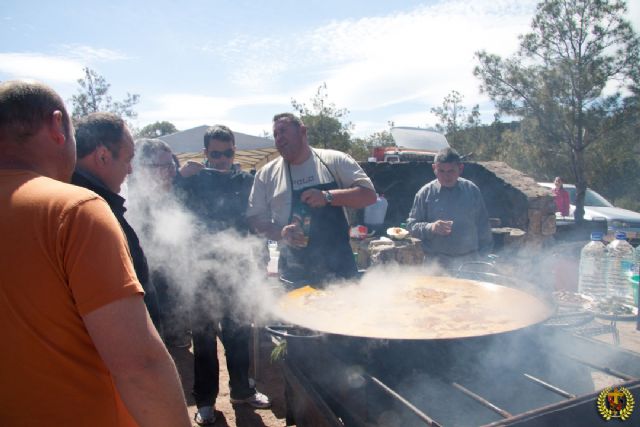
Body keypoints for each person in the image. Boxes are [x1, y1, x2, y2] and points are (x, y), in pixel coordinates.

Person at [0, 80, 190, 426]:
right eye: (128, 159)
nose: (131, 170)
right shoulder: (74, 209)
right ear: (57, 126)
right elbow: (139, 365)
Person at [177, 125, 271, 426]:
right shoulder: (191, 181)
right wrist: (180, 177)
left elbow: (257, 220)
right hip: (200, 269)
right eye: (215, 154)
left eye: (227, 153)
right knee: (204, 340)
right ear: (205, 153)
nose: (221, 159)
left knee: (239, 335)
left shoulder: (247, 180)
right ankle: (205, 401)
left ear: (235, 151)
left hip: (238, 268)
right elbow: (169, 210)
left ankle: (242, 391)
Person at [247, 113, 377, 284]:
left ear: (302, 131)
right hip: (293, 273)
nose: (279, 138)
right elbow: (255, 219)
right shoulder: (266, 174)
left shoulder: (334, 160)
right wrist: (281, 233)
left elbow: (368, 196)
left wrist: (328, 196)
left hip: (340, 269)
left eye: (283, 131)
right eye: (275, 134)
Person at [72, 112, 162, 334]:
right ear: (103, 156)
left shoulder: (91, 202)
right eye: (127, 159)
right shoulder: (89, 211)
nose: (130, 169)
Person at [131, 138, 192, 348]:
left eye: (172, 165)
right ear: (143, 169)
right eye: (164, 166)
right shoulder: (131, 203)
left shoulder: (171, 197)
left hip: (169, 292)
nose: (172, 171)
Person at [406, 147, 493, 268]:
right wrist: (431, 227)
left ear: (460, 168)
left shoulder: (472, 190)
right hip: (437, 264)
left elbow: (483, 226)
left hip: (470, 262)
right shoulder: (425, 193)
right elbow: (411, 227)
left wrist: (483, 257)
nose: (446, 176)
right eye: (441, 171)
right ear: (434, 168)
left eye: (451, 171)